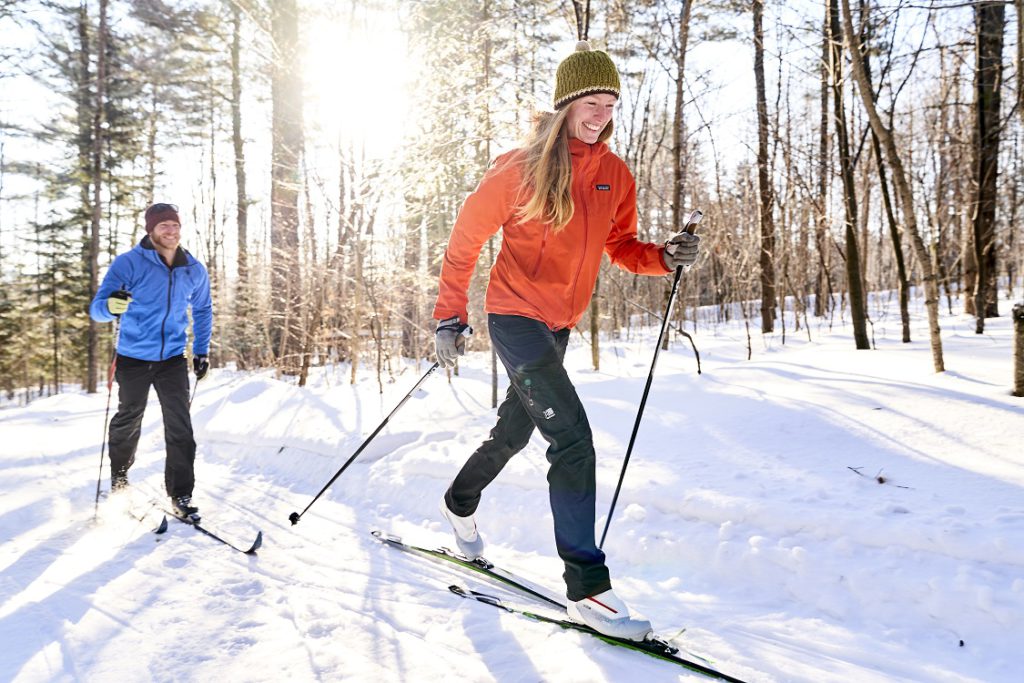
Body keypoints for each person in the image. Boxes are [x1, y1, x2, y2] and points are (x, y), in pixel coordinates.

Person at [432, 41, 700, 641]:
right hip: (513, 316)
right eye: (591, 101)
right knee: (572, 439)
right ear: (565, 103)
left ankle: (459, 501)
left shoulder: (615, 174)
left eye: (610, 103)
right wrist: (449, 317)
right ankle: (588, 588)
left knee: (514, 430)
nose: (601, 113)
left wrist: (665, 256)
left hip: (558, 325)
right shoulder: (517, 169)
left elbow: (624, 248)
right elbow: (463, 243)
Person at [89, 202, 213, 521]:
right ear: (151, 229)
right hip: (133, 357)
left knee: (180, 426)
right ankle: (119, 480)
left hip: (172, 357)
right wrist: (112, 307)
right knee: (129, 420)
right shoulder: (129, 264)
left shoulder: (193, 269)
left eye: (175, 225)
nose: (170, 231)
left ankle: (181, 493)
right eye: (163, 226)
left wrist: (201, 351)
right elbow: (98, 309)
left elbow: (202, 311)